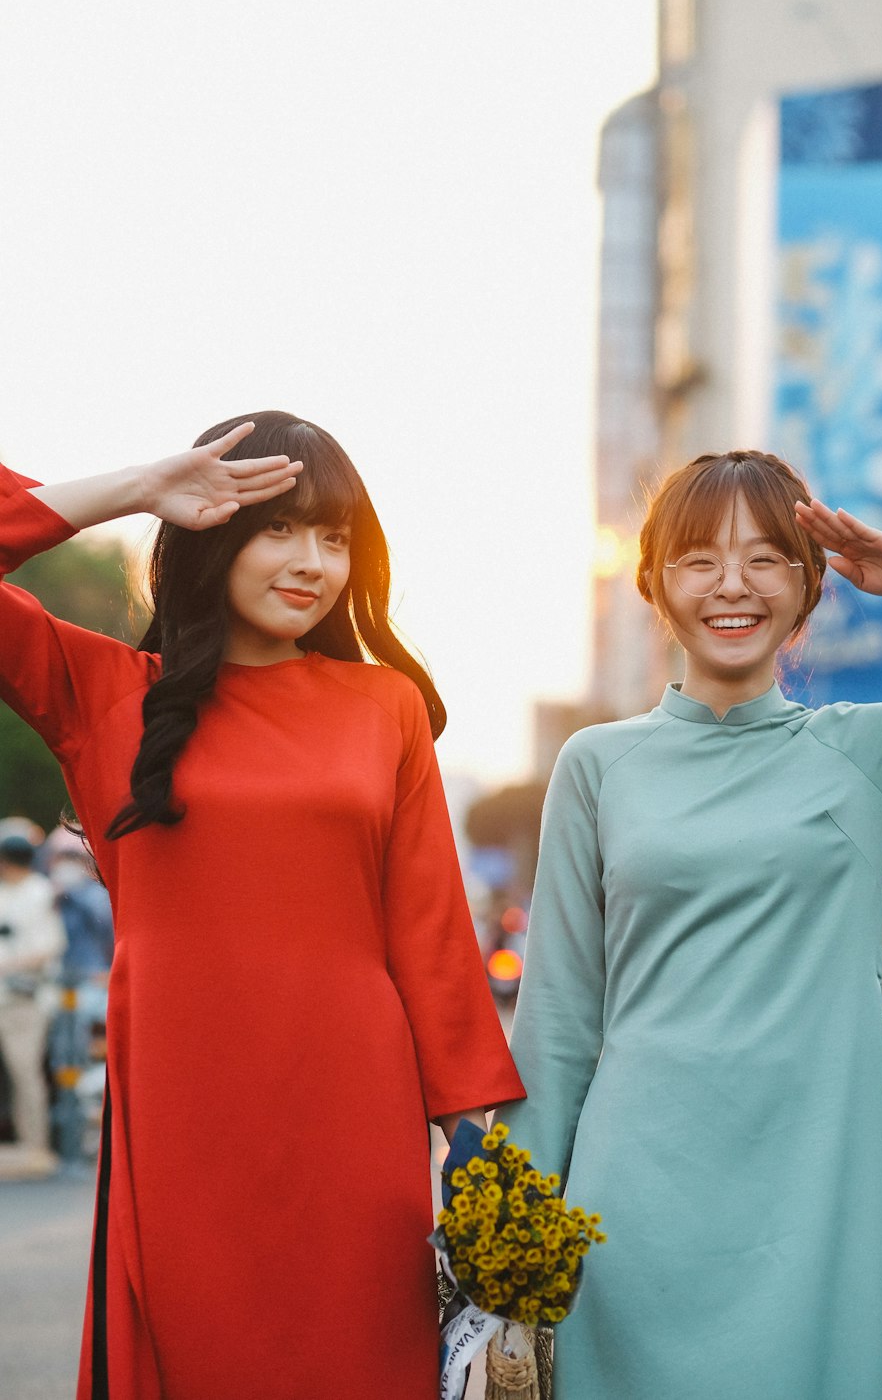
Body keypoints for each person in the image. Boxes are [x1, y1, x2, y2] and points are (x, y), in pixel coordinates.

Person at [0, 411, 524, 1400]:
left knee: (361, 1360)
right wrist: (135, 486)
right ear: (210, 528)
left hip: (355, 1114)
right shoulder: (105, 695)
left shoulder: (386, 709)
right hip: (179, 1112)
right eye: (278, 527)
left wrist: (472, 1131)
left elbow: (431, 932)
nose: (312, 563)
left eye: (335, 538)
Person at [500, 448, 882, 1400]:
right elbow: (559, 1017)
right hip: (628, 1211)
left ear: (810, 586)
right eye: (699, 559)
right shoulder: (598, 764)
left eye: (767, 557)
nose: (733, 585)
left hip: (822, 1205)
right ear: (654, 583)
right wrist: (513, 1233)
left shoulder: (870, 750)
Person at [0, 832, 66, 1171]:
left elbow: (49, 948)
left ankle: (35, 1146)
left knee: (25, 1072)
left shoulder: (40, 892)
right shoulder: (6, 892)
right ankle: (25, 1144)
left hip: (24, 997)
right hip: (6, 995)